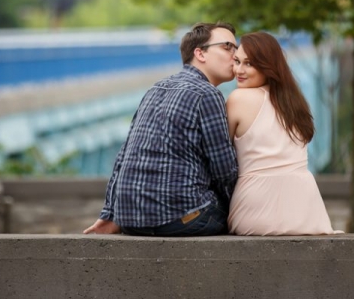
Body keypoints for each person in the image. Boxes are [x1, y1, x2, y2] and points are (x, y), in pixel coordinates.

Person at [83, 22, 239, 236]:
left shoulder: (155, 88)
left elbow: (123, 157)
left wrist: (110, 214)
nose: (236, 55)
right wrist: (239, 208)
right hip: (180, 218)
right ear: (200, 53)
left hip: (130, 220)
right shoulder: (206, 93)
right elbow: (224, 170)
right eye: (227, 47)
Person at [226, 31, 340, 235]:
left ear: (267, 66)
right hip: (308, 211)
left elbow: (221, 156)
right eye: (236, 61)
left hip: (257, 207)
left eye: (249, 64)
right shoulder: (294, 103)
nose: (239, 70)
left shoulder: (239, 98)